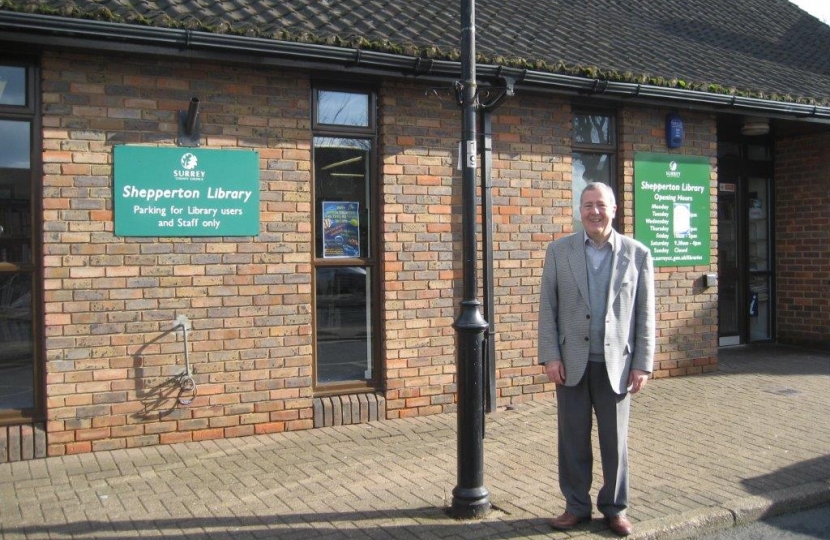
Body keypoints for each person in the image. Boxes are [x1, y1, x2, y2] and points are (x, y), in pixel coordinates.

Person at [537, 181, 655, 537]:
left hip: (617, 365)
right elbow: (548, 308)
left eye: (600, 205)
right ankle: (576, 507)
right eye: (587, 205)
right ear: (580, 210)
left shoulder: (637, 254)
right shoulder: (559, 252)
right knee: (572, 439)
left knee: (614, 441)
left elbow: (646, 314)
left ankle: (615, 509)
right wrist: (550, 357)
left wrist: (643, 363)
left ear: (614, 209)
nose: (594, 211)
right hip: (571, 363)